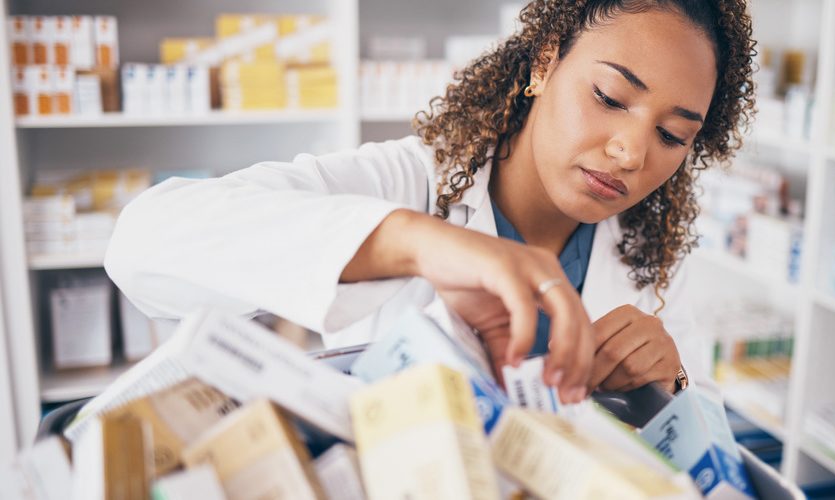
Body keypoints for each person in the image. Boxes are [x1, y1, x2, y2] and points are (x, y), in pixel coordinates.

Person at [105, 0, 755, 405]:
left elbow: (702, 433)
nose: (632, 154)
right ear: (544, 62)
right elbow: (141, 243)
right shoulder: (411, 182)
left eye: (673, 136)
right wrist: (417, 244)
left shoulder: (648, 250)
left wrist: (672, 385)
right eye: (611, 97)